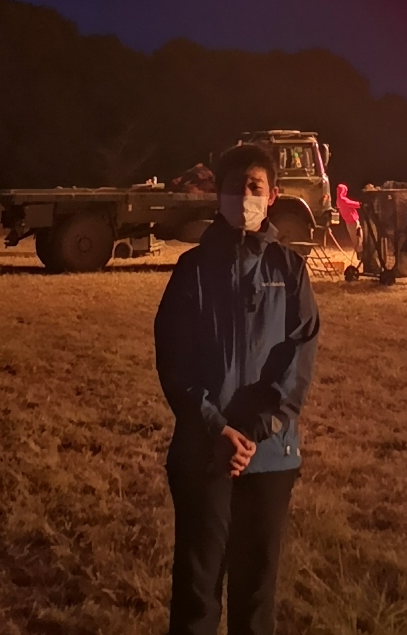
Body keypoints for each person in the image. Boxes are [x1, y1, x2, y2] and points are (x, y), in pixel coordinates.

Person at [154, 142, 321, 635]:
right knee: (196, 591)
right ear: (218, 196)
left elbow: (299, 356)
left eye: (254, 187)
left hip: (270, 456)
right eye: (233, 187)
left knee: (255, 595)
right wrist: (215, 428)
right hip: (203, 454)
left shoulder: (289, 271)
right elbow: (174, 361)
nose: (243, 197)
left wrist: (256, 428)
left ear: (272, 196)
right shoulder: (192, 271)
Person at [333, 181, 361, 250]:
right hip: (353, 221)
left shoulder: (338, 200)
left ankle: (359, 252)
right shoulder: (343, 200)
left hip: (349, 222)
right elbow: (355, 204)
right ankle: (361, 253)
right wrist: (362, 204)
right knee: (358, 239)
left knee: (355, 239)